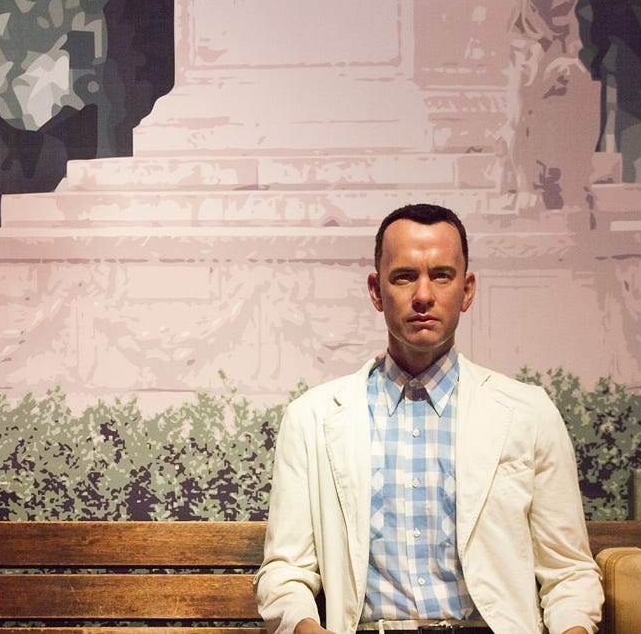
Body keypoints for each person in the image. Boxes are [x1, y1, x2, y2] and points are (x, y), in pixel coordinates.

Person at [254, 204, 603, 633]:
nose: (423, 295)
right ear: (376, 291)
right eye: (404, 276)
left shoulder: (528, 413)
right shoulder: (312, 418)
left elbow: (569, 573)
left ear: (467, 290)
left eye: (441, 275)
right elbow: (284, 572)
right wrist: (305, 627)